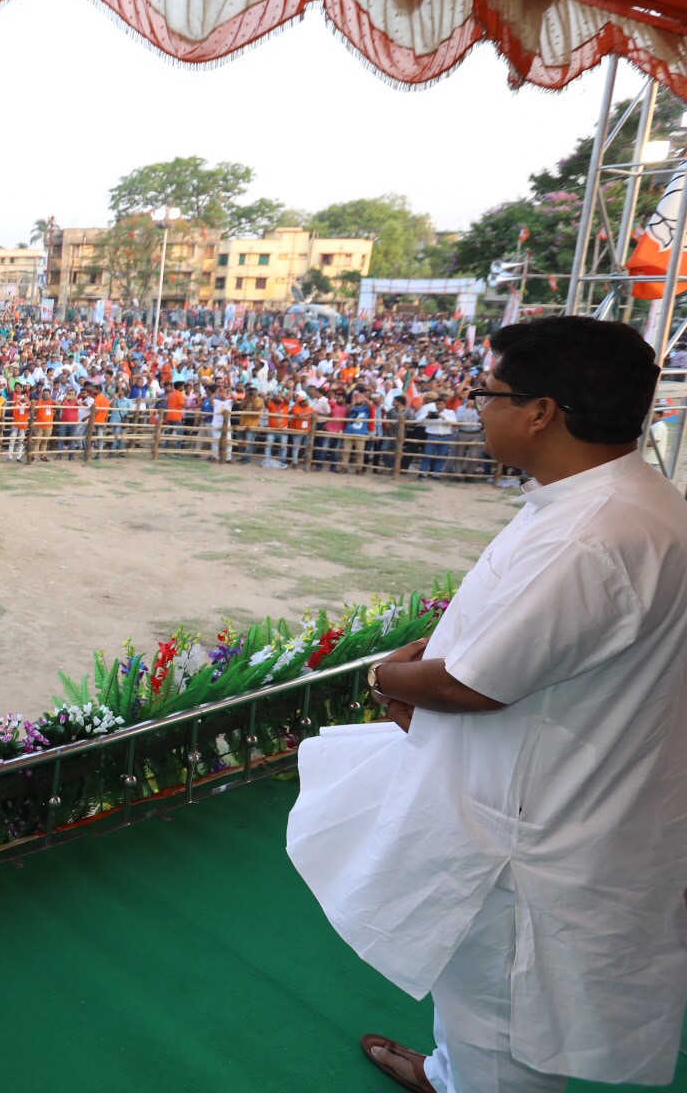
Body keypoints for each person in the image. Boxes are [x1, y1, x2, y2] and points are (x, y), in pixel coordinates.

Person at [286, 316, 687, 1093]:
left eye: (488, 392)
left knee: (509, 1017)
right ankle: (449, 1072)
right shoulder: (626, 504)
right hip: (565, 790)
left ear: (541, 411)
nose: (477, 408)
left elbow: (473, 681)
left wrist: (383, 679)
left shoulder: (592, 534)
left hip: (534, 826)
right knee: (476, 993)